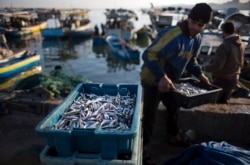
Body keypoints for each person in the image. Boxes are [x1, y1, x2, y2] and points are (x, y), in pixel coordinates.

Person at [140, 3, 213, 164]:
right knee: (149, 116)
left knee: (173, 108)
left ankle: (174, 137)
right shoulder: (172, 35)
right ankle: (142, 148)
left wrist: (200, 74)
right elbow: (148, 54)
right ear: (188, 19)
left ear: (205, 25)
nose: (195, 27)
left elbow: (190, 59)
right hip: (152, 79)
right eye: (193, 22)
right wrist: (162, 77)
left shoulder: (197, 39)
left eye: (199, 25)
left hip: (172, 82)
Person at [202, 21, 245, 104]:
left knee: (211, 103)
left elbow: (218, 66)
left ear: (223, 31)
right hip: (234, 80)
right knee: (223, 103)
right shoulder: (241, 44)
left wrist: (202, 68)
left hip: (221, 81)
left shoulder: (225, 46)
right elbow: (241, 63)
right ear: (234, 30)